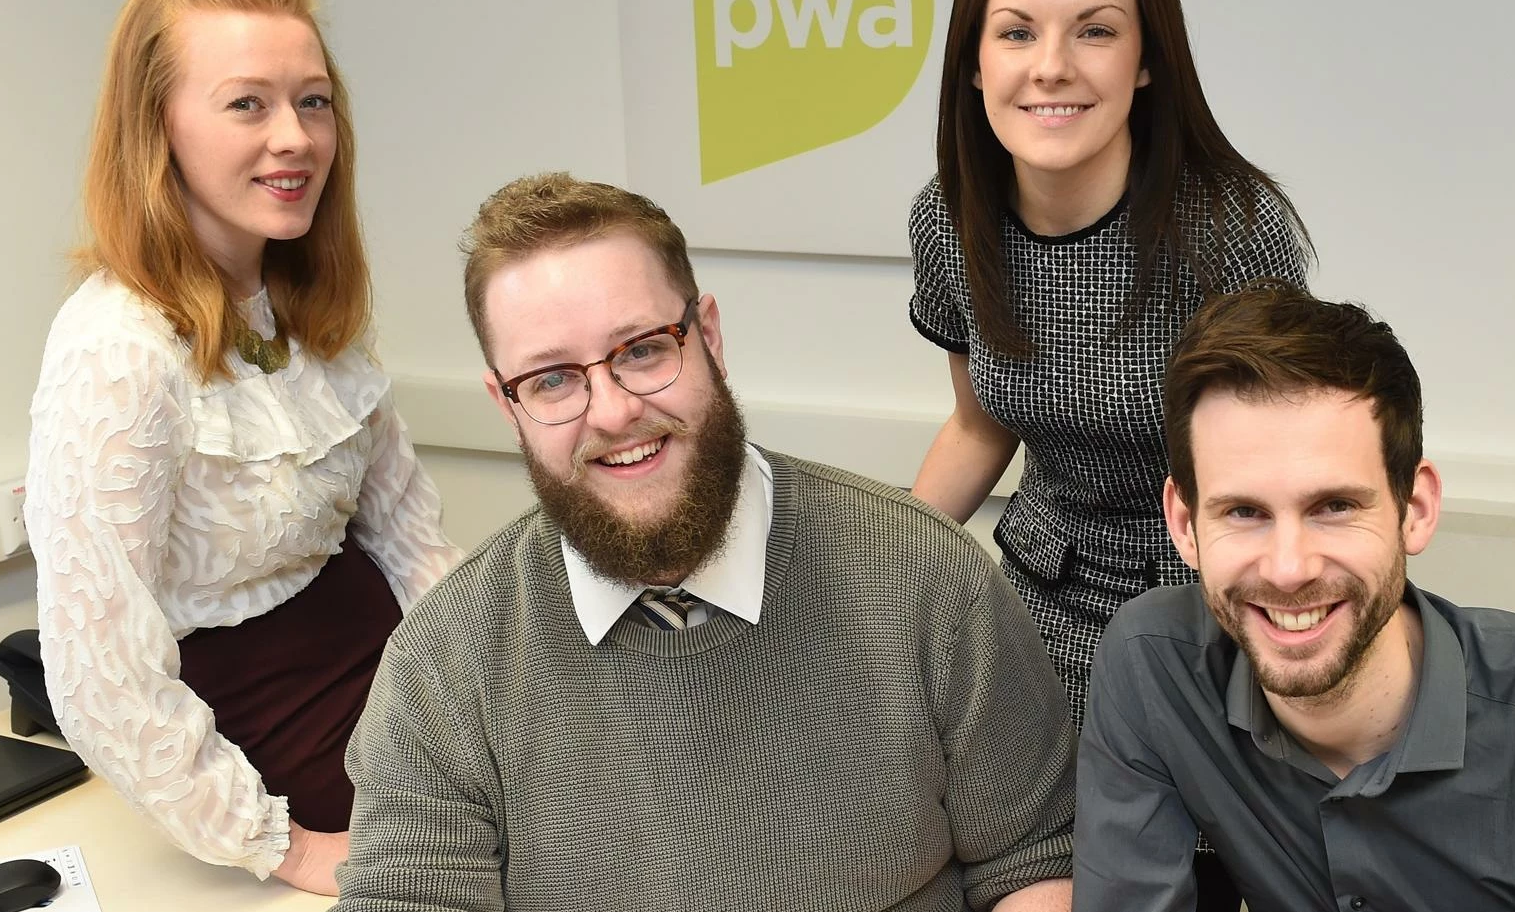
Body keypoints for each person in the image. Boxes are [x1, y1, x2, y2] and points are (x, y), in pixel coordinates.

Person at [331, 174, 1076, 912]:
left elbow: (1036, 860)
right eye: (554, 379)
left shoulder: (932, 582)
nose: (615, 411)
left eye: (644, 349)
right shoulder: (442, 667)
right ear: (507, 405)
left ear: (709, 337)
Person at [22, 0, 461, 896]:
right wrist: (285, 846)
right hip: (272, 736)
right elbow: (100, 676)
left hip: (393, 682)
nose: (294, 137)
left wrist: (492, 680)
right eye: (246, 104)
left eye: (312, 100)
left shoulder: (308, 298)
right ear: (158, 128)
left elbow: (409, 540)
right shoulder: (118, 348)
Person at [1076, 280, 1515, 910]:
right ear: (1185, 524)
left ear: (1416, 509)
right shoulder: (1153, 664)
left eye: (1335, 506)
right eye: (1243, 512)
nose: (1289, 569)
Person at [908, 0, 1312, 725]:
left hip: (1211, 614)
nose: (1050, 65)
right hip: (1033, 602)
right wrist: (880, 569)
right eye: (1016, 32)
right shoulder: (950, 218)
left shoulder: (1232, 231)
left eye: (1094, 30)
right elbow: (980, 425)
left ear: (1143, 59)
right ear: (975, 63)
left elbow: (1281, 468)